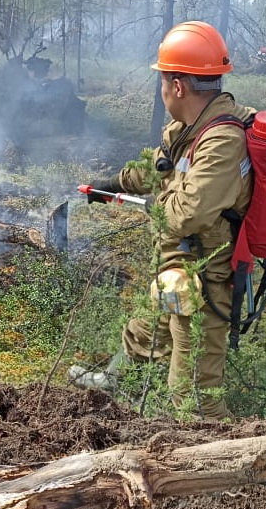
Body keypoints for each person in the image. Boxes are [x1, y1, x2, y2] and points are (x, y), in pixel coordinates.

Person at [75, 21, 255, 420]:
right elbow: (157, 167)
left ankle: (219, 461)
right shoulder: (190, 127)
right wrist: (110, 186)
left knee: (192, 391)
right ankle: (114, 385)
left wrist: (155, 202)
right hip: (177, 267)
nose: (161, 89)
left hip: (206, 274)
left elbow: (184, 215)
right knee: (143, 332)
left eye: (162, 81)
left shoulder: (223, 140)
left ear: (178, 86)